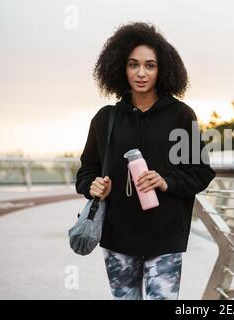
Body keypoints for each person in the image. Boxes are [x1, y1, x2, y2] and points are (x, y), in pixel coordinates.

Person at [75, 22, 215, 300]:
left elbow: (201, 172)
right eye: (133, 64)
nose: (141, 73)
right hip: (118, 237)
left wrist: (166, 180)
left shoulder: (181, 116)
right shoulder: (105, 119)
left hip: (165, 237)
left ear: (162, 69)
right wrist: (92, 185)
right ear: (120, 68)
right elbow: (86, 170)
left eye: (150, 65)